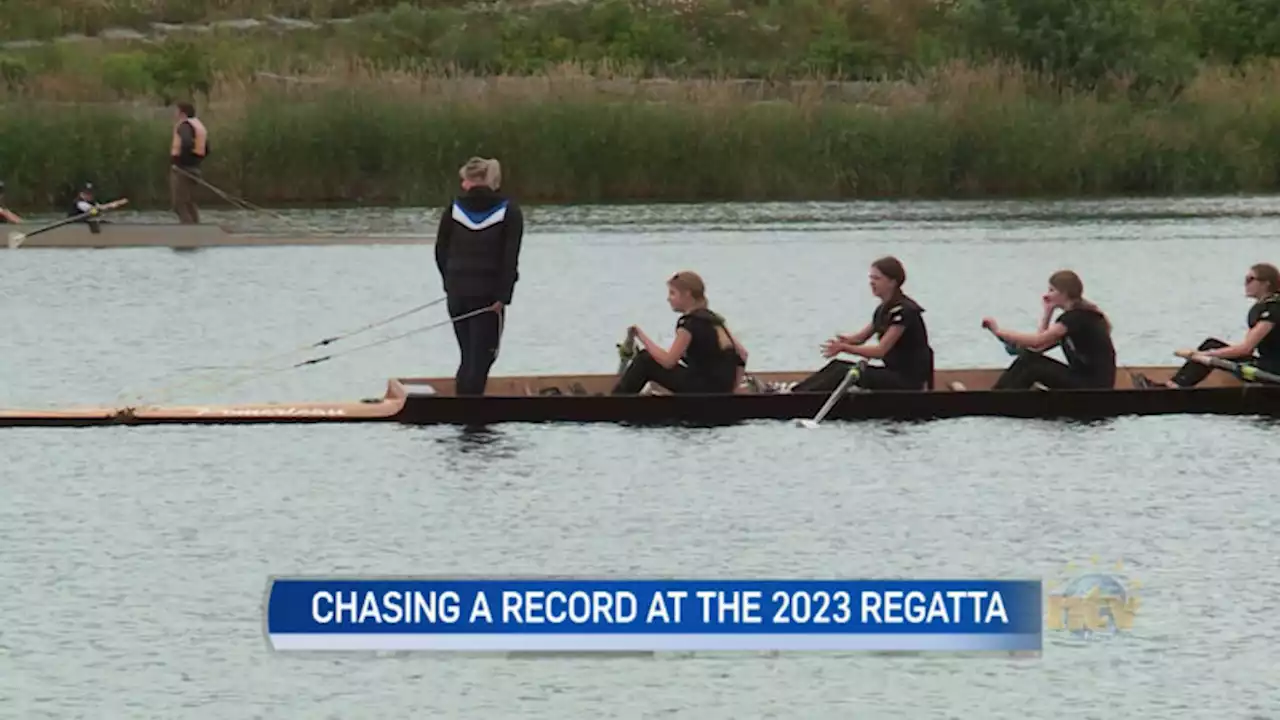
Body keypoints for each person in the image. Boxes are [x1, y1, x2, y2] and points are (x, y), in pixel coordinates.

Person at [435, 157, 524, 396]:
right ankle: (471, 418)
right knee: (482, 358)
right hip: (488, 298)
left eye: (463, 180)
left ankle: (465, 415)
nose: (461, 185)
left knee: (468, 356)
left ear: (470, 181)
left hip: (458, 294)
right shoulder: (509, 211)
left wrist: (450, 284)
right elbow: (509, 259)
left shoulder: (453, 209)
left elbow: (440, 251)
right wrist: (503, 297)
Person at [787, 256, 934, 393]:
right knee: (837, 365)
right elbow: (860, 338)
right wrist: (843, 341)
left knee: (842, 372)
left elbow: (880, 351)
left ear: (892, 282)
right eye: (871, 278)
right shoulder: (884, 309)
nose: (871, 282)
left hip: (909, 381)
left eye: (877, 278)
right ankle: (795, 392)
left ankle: (795, 396)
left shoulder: (904, 312)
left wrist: (845, 348)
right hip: (892, 373)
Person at [1133, 263, 1280, 388]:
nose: (1245, 284)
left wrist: (1202, 355)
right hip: (1266, 365)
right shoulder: (1262, 307)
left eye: (1250, 279)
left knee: (1210, 347)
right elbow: (1247, 351)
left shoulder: (1273, 309)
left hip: (1273, 370)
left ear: (1266, 283)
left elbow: (1245, 349)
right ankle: (1174, 385)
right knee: (1212, 344)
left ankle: (1173, 389)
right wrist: (1204, 355)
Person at [613, 271, 748, 394]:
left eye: (672, 293)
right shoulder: (715, 320)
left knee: (645, 359)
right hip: (720, 390)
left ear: (687, 294)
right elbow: (742, 354)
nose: (668, 299)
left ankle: (616, 401)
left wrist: (640, 335)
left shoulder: (688, 323)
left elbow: (669, 361)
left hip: (703, 390)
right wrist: (732, 391)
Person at [983, 270, 1116, 390]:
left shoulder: (1077, 318)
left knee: (1032, 365)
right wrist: (1048, 311)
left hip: (1094, 386)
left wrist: (998, 331)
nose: (1047, 295)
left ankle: (999, 400)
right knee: (1029, 359)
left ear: (1064, 293)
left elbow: (1037, 341)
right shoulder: (1070, 320)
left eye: (1052, 290)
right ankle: (999, 395)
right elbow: (1037, 349)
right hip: (1082, 380)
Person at [170, 101, 209, 224]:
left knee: (179, 203)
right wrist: (196, 160)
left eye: (177, 111)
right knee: (189, 202)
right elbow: (207, 148)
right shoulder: (199, 126)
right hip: (195, 168)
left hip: (183, 169)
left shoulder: (184, 126)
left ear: (182, 113)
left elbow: (186, 142)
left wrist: (181, 161)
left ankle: (188, 230)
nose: (175, 113)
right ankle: (195, 228)